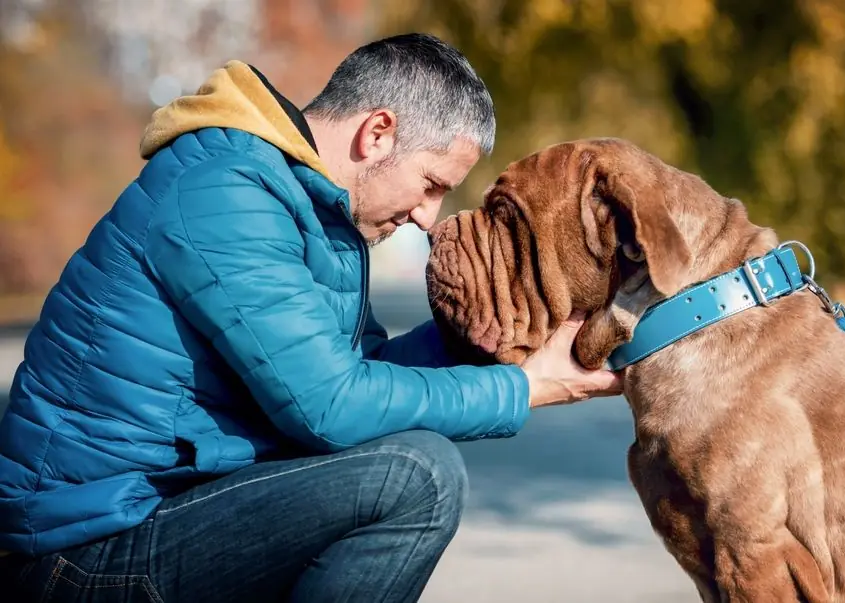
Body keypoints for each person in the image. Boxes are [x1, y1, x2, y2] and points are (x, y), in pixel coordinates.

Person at [0, 33, 621, 603]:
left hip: (165, 508)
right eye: (431, 184)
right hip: (80, 547)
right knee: (415, 476)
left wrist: (496, 337)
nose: (428, 218)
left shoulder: (315, 212)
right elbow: (332, 406)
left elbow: (358, 372)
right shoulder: (225, 192)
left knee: (402, 463)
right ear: (377, 133)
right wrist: (521, 388)